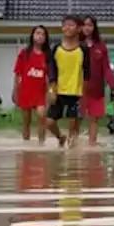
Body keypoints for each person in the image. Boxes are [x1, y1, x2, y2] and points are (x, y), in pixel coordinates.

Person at [46, 15, 90, 148]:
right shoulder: (56, 48)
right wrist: (52, 91)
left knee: (73, 128)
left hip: (76, 92)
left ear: (78, 29)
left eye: (71, 25)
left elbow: (87, 72)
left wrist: (85, 95)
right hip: (59, 91)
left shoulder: (83, 49)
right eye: (65, 25)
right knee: (49, 122)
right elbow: (52, 71)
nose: (67, 27)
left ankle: (73, 161)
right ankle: (60, 138)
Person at [80, 15, 114, 146]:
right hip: (78, 88)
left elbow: (106, 68)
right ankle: (72, 146)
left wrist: (113, 85)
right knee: (76, 119)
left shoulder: (101, 47)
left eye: (90, 25)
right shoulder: (76, 45)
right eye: (85, 24)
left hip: (96, 89)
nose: (87, 28)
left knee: (94, 119)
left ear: (94, 27)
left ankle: (92, 146)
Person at [13, 25, 52, 142]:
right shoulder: (25, 53)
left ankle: (41, 144)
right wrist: (15, 91)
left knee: (42, 116)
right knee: (26, 121)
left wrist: (51, 92)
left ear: (46, 38)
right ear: (33, 36)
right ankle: (26, 145)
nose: (40, 36)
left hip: (40, 92)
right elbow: (17, 73)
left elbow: (51, 77)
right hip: (25, 91)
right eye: (37, 33)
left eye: (43, 34)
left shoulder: (48, 55)